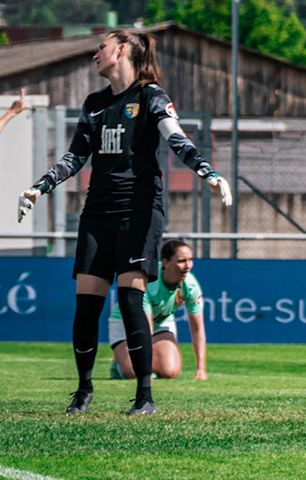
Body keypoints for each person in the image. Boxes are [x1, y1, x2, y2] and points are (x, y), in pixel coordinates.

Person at [15, 30, 232, 416]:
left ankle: (144, 397)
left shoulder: (151, 96)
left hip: (139, 210)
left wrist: (208, 172)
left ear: (120, 50)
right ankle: (83, 390)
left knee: (132, 300)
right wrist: (40, 186)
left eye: (100, 47)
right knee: (86, 307)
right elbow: (74, 158)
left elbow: (177, 139)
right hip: (97, 212)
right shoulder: (94, 103)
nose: (94, 54)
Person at [108, 239, 206, 382]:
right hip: (127, 324)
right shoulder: (149, 281)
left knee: (170, 371)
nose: (188, 266)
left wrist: (200, 369)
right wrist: (145, 370)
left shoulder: (190, 284)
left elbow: (197, 329)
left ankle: (147, 361)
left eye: (190, 260)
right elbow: (146, 328)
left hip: (162, 322)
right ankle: (118, 364)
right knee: (135, 372)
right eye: (181, 261)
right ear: (165, 262)